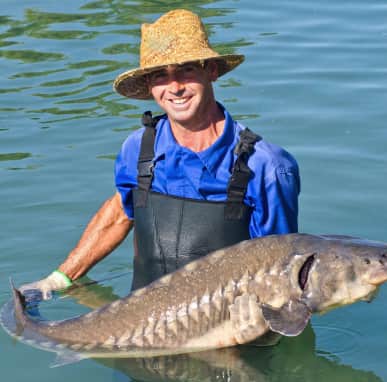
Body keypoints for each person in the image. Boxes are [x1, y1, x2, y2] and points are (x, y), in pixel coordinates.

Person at [19, 9, 300, 297]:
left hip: (228, 325)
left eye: (186, 69)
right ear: (150, 86)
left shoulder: (267, 166)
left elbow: (279, 269)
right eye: (160, 76)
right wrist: (57, 280)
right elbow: (121, 212)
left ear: (211, 71)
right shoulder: (139, 147)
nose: (175, 87)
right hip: (139, 321)